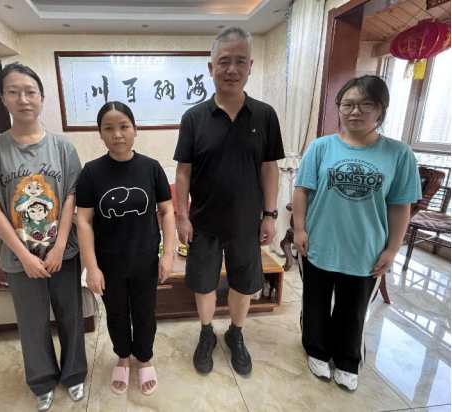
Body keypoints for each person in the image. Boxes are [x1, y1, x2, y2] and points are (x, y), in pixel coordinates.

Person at [0, 63, 87, 411]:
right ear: (3, 98)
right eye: (14, 92)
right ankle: (41, 381)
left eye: (30, 91)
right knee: (32, 322)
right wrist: (24, 256)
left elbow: (71, 196)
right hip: (19, 257)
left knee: (71, 316)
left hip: (63, 252)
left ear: (41, 98)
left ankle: (74, 375)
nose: (23, 99)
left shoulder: (63, 147)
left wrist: (61, 245)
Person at [293, 75, 422, 391]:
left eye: (366, 104)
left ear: (381, 109)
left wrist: (392, 248)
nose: (355, 111)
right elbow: (302, 190)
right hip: (320, 243)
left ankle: (348, 360)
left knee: (354, 309)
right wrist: (299, 229)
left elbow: (400, 206)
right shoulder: (321, 147)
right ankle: (316, 350)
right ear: (339, 108)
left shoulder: (398, 153)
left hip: (366, 248)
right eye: (348, 104)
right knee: (315, 302)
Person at [173, 27, 285, 376]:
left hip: (246, 221)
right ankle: (206, 333)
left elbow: (269, 168)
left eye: (240, 61)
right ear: (211, 68)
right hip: (203, 222)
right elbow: (183, 172)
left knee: (243, 282)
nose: (232, 69)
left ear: (250, 66)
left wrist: (269, 215)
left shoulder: (264, 115)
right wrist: (182, 216)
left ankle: (235, 334)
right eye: (224, 62)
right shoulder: (194, 118)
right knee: (204, 283)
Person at [75, 101, 175, 396]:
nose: (117, 134)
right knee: (116, 313)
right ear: (100, 133)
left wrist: (167, 254)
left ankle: (144, 358)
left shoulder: (151, 168)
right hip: (109, 263)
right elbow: (83, 221)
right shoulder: (91, 172)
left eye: (124, 126)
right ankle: (122, 356)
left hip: (146, 260)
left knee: (145, 313)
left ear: (135, 130)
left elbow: (167, 212)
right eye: (109, 128)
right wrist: (91, 267)